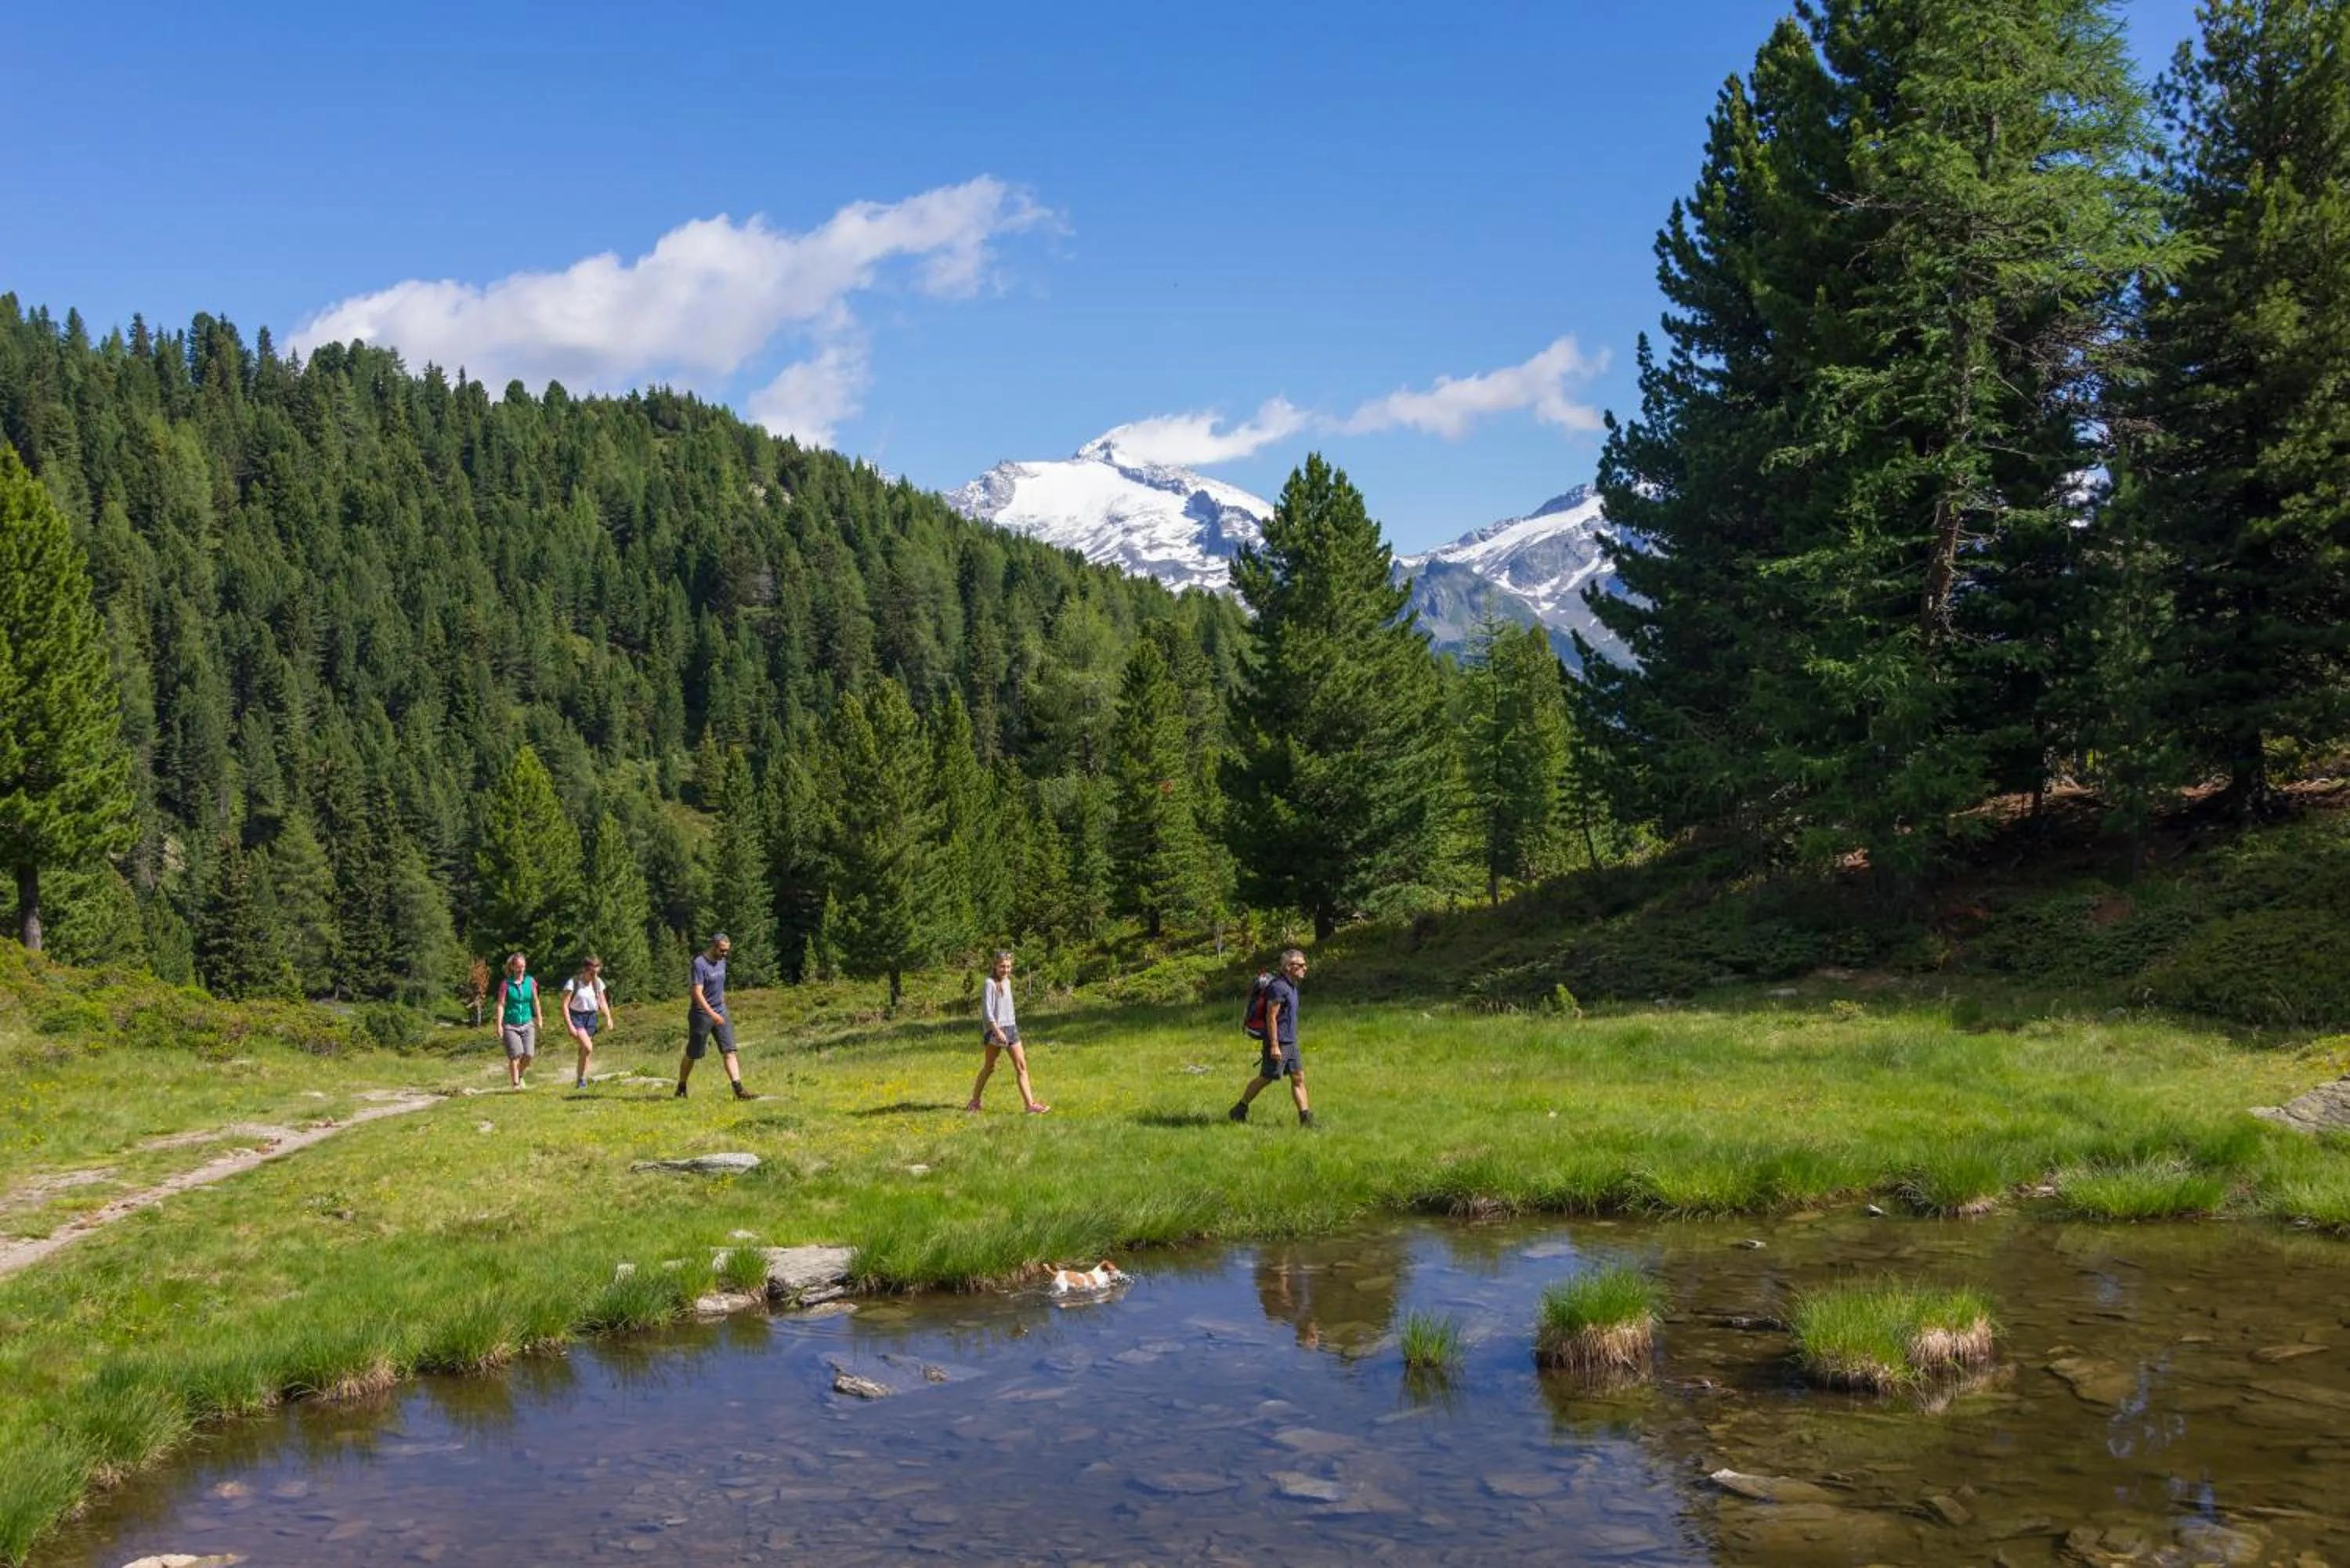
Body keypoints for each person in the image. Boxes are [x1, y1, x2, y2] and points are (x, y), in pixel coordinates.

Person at [1230, 948, 1312, 1127]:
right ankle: (1239, 1109)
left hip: (1291, 1041)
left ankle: (1306, 1119)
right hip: (1279, 1041)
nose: (1305, 968)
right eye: (1301, 965)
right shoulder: (1278, 987)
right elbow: (1271, 1017)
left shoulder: (1292, 986)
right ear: (1289, 966)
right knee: (1267, 1077)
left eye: (1305, 964)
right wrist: (1274, 1045)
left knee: (1298, 1077)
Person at [966, 949, 1048, 1115]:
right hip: (994, 1030)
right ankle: (974, 1102)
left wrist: (1011, 1028)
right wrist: (997, 1031)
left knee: (1021, 1065)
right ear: (995, 966)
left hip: (1011, 1028)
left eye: (1009, 966)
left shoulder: (1007, 982)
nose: (1006, 970)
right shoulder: (989, 984)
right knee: (990, 1067)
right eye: (1003, 966)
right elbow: (987, 1013)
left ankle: (1030, 1105)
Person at [678, 933, 752, 1100]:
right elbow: (696, 993)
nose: (725, 954)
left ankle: (738, 1089)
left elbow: (720, 986)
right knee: (694, 1053)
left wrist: (722, 1005)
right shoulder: (699, 964)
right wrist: (711, 1013)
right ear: (714, 946)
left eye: (727, 951)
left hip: (720, 1011)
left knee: (729, 1050)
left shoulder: (722, 961)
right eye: (722, 950)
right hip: (701, 1013)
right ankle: (681, 1085)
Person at [562, 956, 615, 1089]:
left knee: (585, 1051)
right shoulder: (573, 983)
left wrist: (608, 1017)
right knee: (588, 1047)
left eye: (597, 972)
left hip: (591, 1017)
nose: (595, 975)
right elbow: (564, 1005)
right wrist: (569, 1026)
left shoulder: (598, 983)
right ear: (585, 970)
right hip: (576, 1017)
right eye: (592, 973)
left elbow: (602, 1001)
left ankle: (581, 1079)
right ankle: (581, 1079)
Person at [493, 952, 541, 1089]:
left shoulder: (531, 982)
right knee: (516, 1055)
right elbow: (501, 1005)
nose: (521, 970)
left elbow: (536, 1001)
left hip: (527, 1023)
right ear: (512, 967)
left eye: (523, 967)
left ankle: (520, 1075)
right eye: (518, 967)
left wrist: (539, 1017)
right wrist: (499, 1026)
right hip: (510, 1025)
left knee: (529, 1055)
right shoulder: (506, 984)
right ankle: (515, 1085)